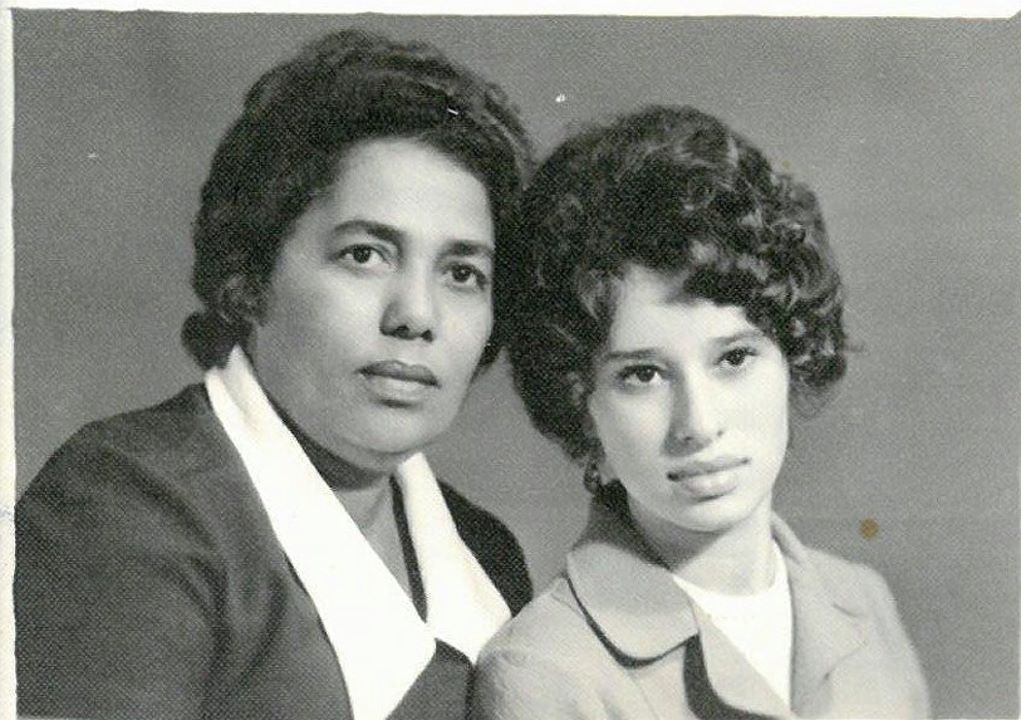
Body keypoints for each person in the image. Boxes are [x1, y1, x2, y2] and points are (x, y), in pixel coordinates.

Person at [16, 28, 532, 720]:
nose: (417, 314)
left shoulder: (483, 551)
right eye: (364, 254)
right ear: (252, 277)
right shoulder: (127, 509)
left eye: (462, 273)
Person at [472, 105, 930, 719]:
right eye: (642, 375)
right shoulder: (545, 672)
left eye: (734, 358)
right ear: (583, 414)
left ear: (791, 357)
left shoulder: (864, 605)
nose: (699, 422)